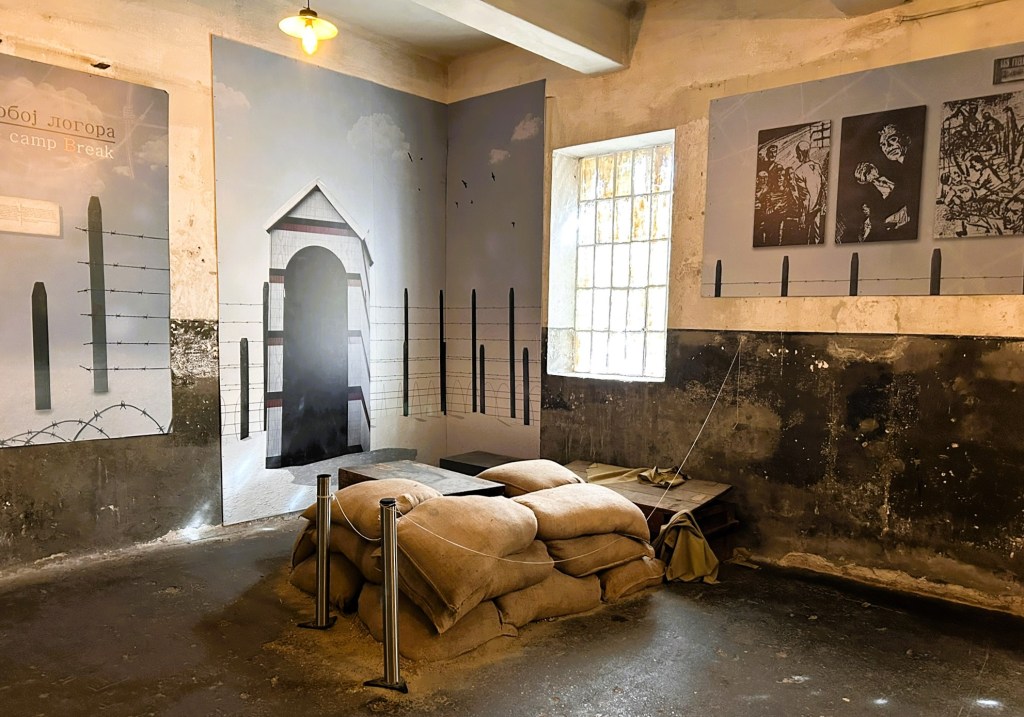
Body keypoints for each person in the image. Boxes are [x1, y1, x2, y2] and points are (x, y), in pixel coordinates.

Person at [792, 140, 825, 243]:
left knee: (806, 240)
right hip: (819, 209)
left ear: (801, 153)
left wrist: (802, 216)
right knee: (817, 237)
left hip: (809, 212)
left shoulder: (798, 171)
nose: (797, 157)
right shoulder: (817, 166)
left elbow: (805, 197)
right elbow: (824, 186)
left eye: (798, 154)